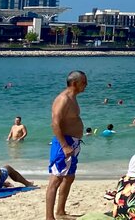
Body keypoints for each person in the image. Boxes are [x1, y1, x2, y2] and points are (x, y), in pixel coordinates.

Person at [47, 69, 87, 220]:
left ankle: (60, 211)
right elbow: (55, 124)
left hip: (73, 143)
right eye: (84, 82)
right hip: (64, 143)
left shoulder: (72, 98)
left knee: (69, 177)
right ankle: (49, 217)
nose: (86, 85)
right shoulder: (63, 99)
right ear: (74, 83)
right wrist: (64, 146)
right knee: (55, 180)